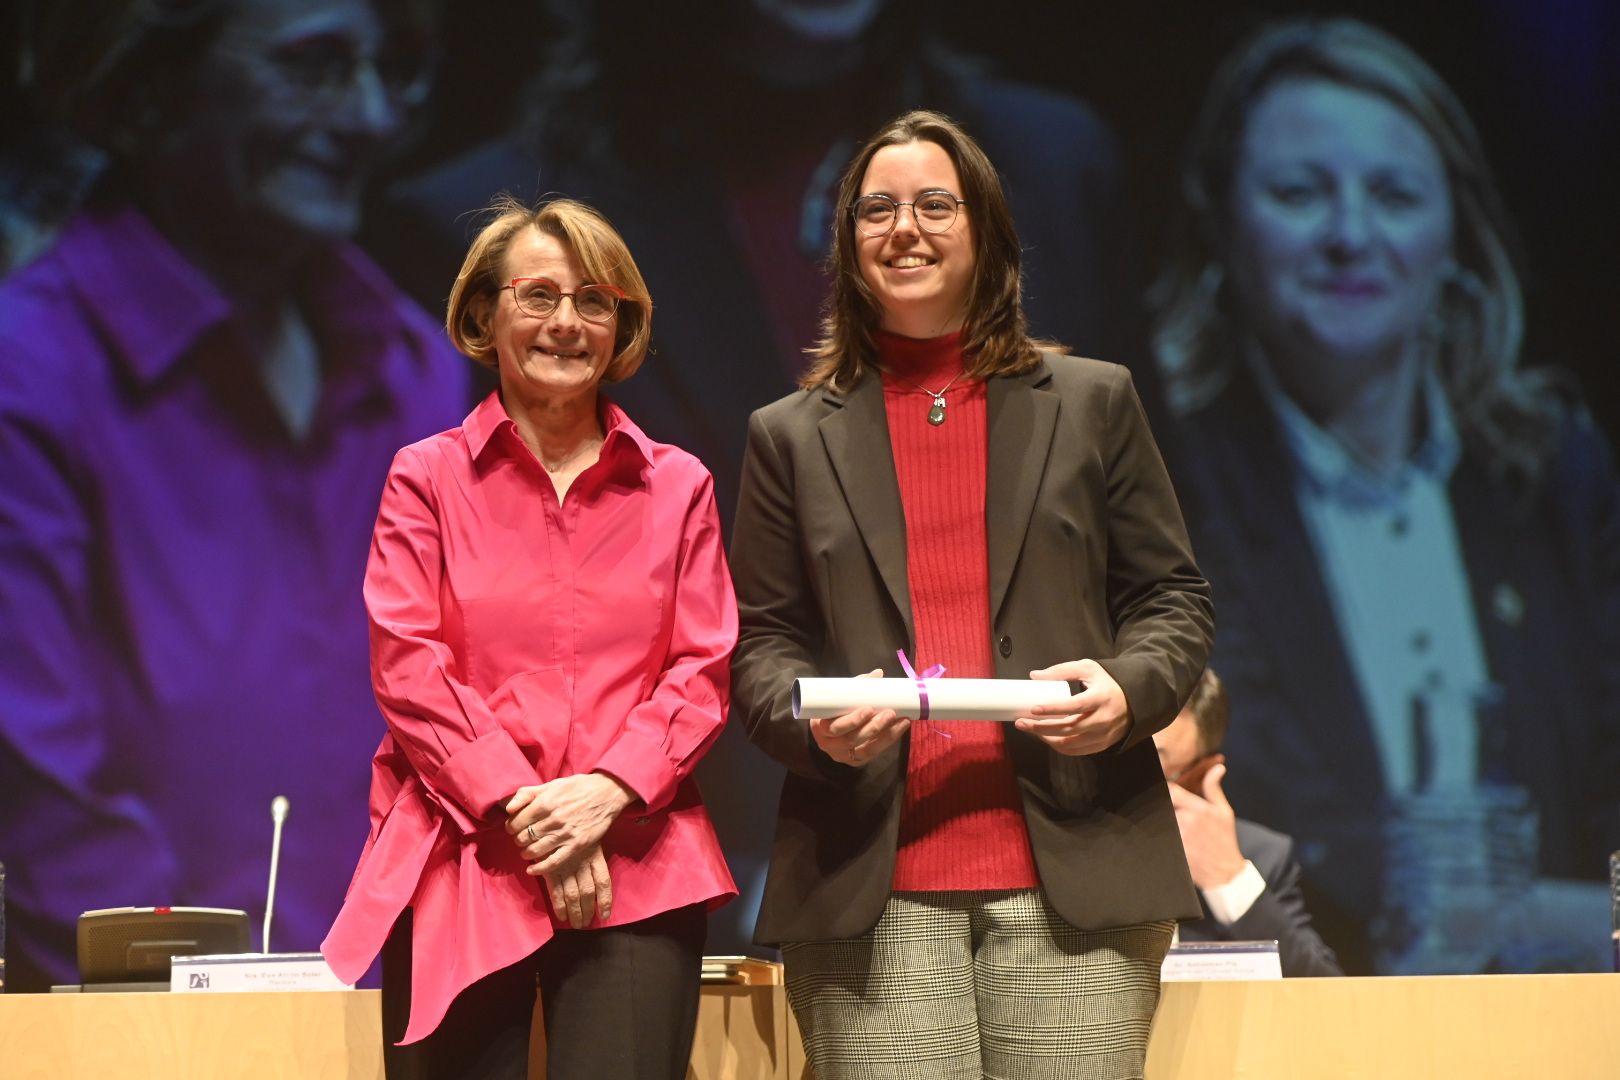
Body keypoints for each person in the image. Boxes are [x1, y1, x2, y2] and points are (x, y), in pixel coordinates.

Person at [730, 110, 1213, 1080]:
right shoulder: (788, 435)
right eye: (876, 209)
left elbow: (1172, 601)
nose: (903, 227)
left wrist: (1126, 693)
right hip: (870, 882)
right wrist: (812, 722)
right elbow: (759, 648)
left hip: (1078, 868)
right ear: (847, 245)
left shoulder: (1093, 401)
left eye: (933, 205)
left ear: (986, 233)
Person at [0, 0, 464, 991]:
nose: (371, 117)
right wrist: (212, 1021)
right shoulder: (29, 370)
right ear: (152, 82)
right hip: (150, 1032)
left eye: (387, 69)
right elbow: (41, 782)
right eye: (314, 67)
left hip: (408, 1016)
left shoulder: (412, 367)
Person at [1151, 16, 1620, 974]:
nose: (1351, 235)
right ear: (1222, 228)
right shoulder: (1160, 483)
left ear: (1455, 234)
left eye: (1396, 194)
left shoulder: (1552, 475)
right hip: (1300, 1021)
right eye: (1298, 193)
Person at [321, 196, 738, 1079]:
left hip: (638, 858)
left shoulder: (680, 486)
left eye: (595, 300)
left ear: (621, 325)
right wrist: (529, 809)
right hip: (463, 851)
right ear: (485, 314)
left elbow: (701, 671)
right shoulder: (424, 479)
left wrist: (607, 796)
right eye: (538, 295)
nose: (566, 323)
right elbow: (409, 666)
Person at [1154, 668, 1343, 977]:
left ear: (1202, 773)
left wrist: (1227, 878)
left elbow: (1325, 997)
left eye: (1152, 763)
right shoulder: (1060, 847)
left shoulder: (1259, 855)